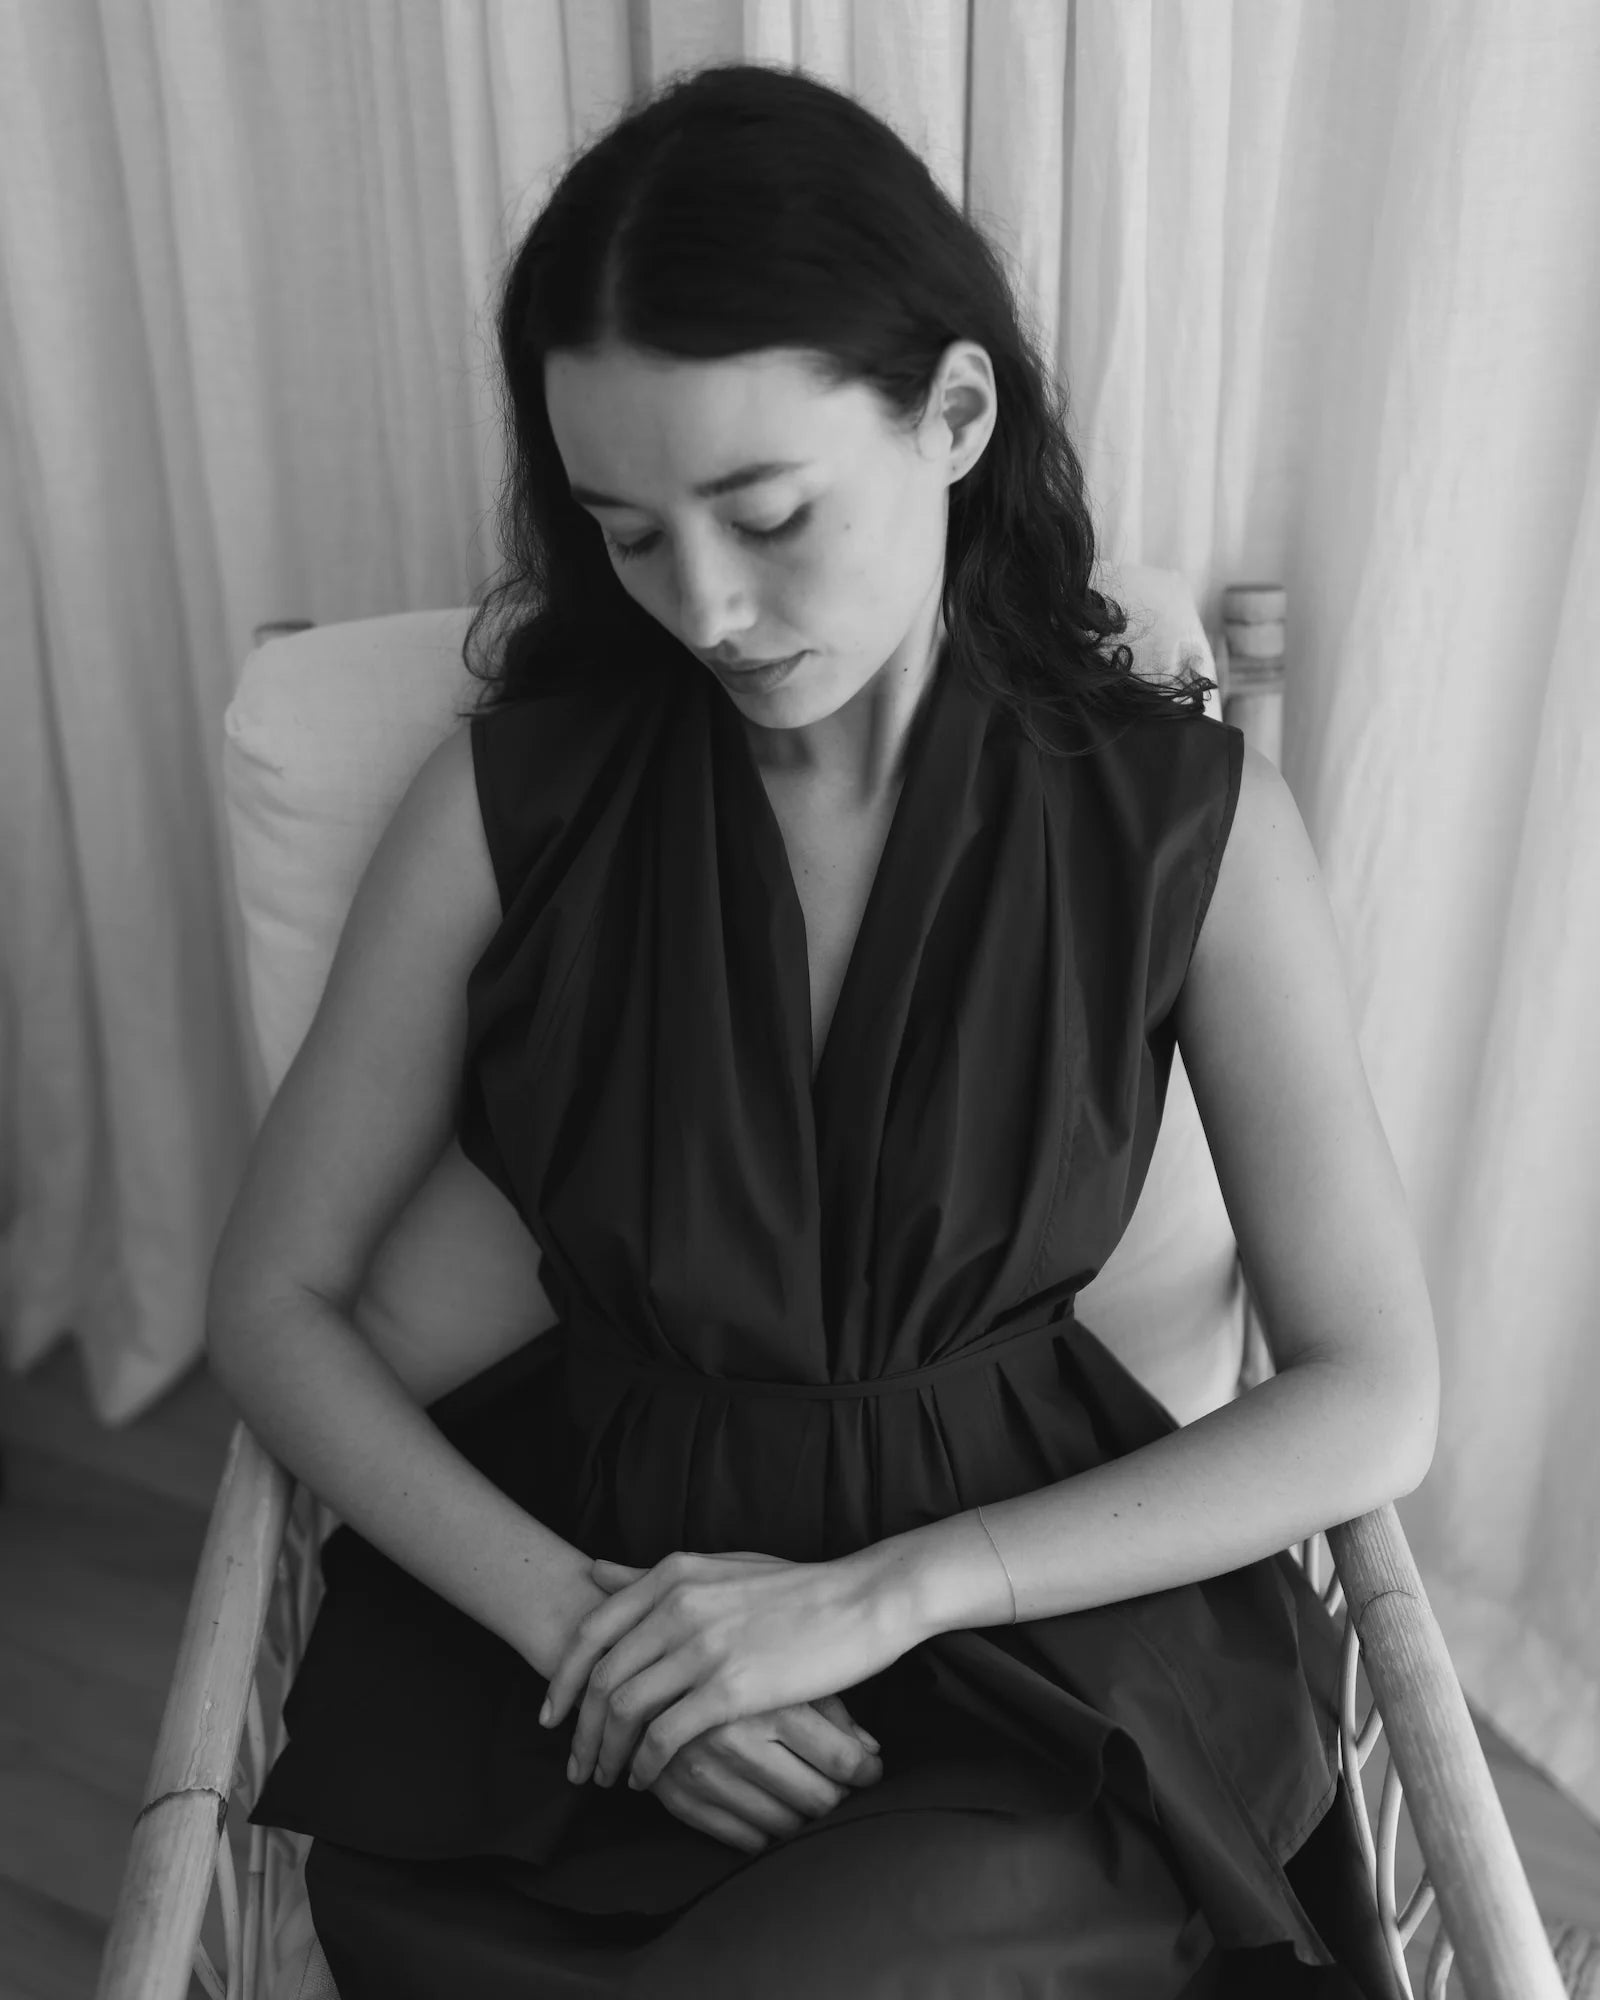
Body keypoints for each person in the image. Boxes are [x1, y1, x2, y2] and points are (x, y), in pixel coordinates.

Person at [211, 60, 1439, 2000]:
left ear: (953, 416)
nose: (706, 607)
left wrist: (884, 1597)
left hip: (1030, 1646)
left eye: (767, 515)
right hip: (589, 1649)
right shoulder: (505, 811)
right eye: (626, 533)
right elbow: (272, 1299)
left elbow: (1371, 1387)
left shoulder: (1181, 826)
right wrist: (593, 1641)